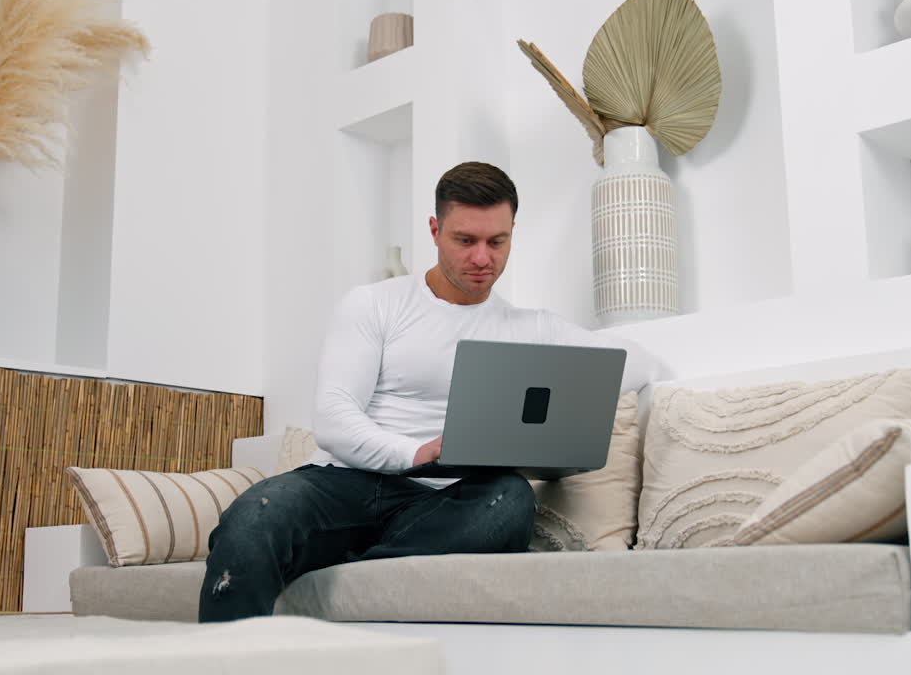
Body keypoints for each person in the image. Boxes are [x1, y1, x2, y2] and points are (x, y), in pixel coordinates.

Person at [198, 161, 659, 622]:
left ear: (513, 232)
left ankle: (350, 574)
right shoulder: (375, 304)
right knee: (255, 513)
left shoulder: (530, 328)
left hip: (447, 503)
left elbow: (638, 365)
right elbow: (335, 416)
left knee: (511, 499)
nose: (483, 258)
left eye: (497, 241)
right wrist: (417, 452)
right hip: (347, 483)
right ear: (435, 230)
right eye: (466, 240)